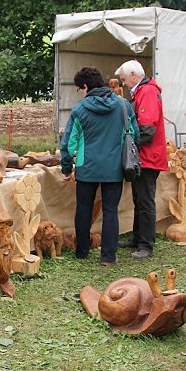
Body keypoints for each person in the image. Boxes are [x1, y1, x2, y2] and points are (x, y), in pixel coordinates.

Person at [61, 67, 139, 266]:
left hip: (86, 168)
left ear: (85, 87)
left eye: (79, 89)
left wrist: (66, 167)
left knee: (83, 209)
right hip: (115, 169)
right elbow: (135, 135)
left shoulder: (79, 109)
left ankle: (82, 251)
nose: (80, 92)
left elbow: (68, 143)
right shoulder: (123, 105)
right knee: (111, 211)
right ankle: (108, 257)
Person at [115, 60, 168, 259]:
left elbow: (147, 129)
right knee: (139, 199)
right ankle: (138, 239)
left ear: (134, 75)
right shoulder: (142, 92)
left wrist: (129, 147)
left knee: (145, 201)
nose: (124, 84)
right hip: (143, 157)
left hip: (148, 157)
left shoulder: (147, 92)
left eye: (124, 79)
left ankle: (146, 245)